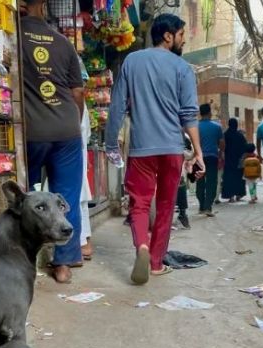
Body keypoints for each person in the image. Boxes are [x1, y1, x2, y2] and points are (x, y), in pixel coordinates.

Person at [105, 13, 204, 285]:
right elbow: (189, 115)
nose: (183, 40)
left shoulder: (132, 61)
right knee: (165, 205)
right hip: (172, 148)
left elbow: (117, 105)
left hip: (141, 150)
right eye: (181, 35)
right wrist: (198, 152)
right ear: (168, 36)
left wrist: (111, 142)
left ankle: (142, 248)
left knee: (139, 204)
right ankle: (157, 264)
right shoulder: (183, 68)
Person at [21, 0, 84, 284]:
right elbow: (78, 92)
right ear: (44, 5)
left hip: (31, 133)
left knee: (28, 198)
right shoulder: (63, 43)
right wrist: (74, 122)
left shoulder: (13, 38)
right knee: (66, 196)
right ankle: (63, 265)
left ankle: (25, 262)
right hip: (66, 131)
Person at [77, 57, 93, 261]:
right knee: (79, 200)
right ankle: (84, 241)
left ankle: (82, 242)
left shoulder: (76, 102)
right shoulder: (80, 103)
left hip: (74, 152)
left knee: (77, 199)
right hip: (77, 152)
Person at [196, 103, 224, 216]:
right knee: (211, 183)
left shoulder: (195, 127)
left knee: (200, 182)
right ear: (209, 113)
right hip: (212, 157)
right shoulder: (217, 127)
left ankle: (201, 206)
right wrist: (221, 153)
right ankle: (208, 207)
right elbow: (222, 144)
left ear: (200, 114)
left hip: (199, 158)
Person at [221, 118, 248, 202]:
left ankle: (230, 196)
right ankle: (239, 195)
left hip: (228, 160)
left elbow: (222, 146)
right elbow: (245, 147)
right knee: (239, 177)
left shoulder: (225, 135)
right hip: (238, 161)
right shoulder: (240, 136)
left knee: (229, 178)